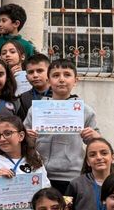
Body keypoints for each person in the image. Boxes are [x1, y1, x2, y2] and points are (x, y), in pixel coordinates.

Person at [24, 59, 100, 193]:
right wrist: (27, 137)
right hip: (40, 172)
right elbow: (23, 140)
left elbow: (97, 144)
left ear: (75, 80)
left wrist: (94, 137)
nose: (61, 79)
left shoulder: (85, 111)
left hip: (72, 175)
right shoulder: (37, 109)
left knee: (68, 206)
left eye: (67, 75)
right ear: (48, 80)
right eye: (55, 75)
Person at [0, 115, 50, 210]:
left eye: (8, 133)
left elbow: (46, 187)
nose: (2, 139)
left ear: (21, 136)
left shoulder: (34, 158)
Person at [68, 138, 114, 210]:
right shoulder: (76, 184)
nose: (99, 157)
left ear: (113, 158)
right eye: (92, 155)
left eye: (104, 153)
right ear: (88, 161)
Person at [15, 53, 52, 120]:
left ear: (49, 73)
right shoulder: (23, 98)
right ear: (26, 77)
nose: (35, 75)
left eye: (40, 71)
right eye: (31, 72)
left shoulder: (60, 95)